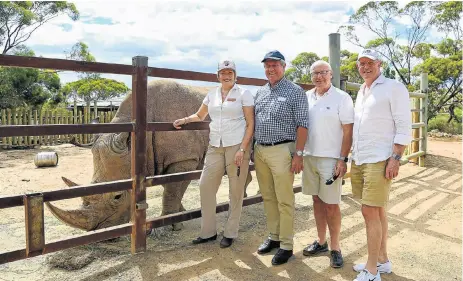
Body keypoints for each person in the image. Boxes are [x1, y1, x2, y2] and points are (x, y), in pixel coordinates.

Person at [173, 59, 255, 248]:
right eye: (223, 73)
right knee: (205, 186)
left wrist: (243, 149)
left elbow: (250, 123)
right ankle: (208, 232)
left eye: (230, 73)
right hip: (215, 146)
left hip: (237, 146)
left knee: (235, 190)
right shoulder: (212, 94)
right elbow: (200, 116)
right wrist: (184, 120)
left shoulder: (244, 94)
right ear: (217, 75)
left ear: (235, 75)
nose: (226, 76)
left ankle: (230, 232)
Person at [351, 49, 412, 281]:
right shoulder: (363, 91)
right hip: (361, 157)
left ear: (379, 64)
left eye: (369, 63)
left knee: (369, 211)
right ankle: (383, 261)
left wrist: (395, 158)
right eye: (361, 63)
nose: (364, 67)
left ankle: (372, 270)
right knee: (377, 210)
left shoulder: (393, 87)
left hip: (380, 158)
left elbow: (404, 125)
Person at [253, 50, 309, 265]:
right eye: (267, 65)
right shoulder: (260, 92)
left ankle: (286, 245)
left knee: (284, 199)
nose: (271, 69)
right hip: (260, 151)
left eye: (275, 65)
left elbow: (303, 124)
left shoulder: (295, 91)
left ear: (284, 67)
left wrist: (299, 154)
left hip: (283, 150)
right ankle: (274, 237)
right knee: (268, 197)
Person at [301, 60, 354, 268]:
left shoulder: (342, 98)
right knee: (316, 200)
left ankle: (335, 247)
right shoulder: (306, 97)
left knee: (332, 205)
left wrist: (342, 159)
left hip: (331, 159)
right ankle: (321, 241)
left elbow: (348, 132)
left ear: (330, 74)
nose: (319, 77)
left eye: (323, 72)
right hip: (310, 157)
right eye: (315, 73)